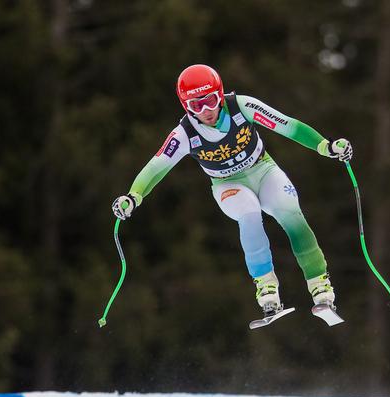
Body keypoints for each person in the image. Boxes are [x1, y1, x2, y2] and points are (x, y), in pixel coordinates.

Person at [112, 64, 352, 318]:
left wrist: (325, 147)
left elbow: (288, 125)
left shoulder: (243, 106)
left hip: (263, 169)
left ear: (220, 94)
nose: (206, 111)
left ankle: (320, 287)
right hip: (228, 185)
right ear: (185, 106)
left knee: (291, 213)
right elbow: (156, 167)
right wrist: (133, 196)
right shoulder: (184, 133)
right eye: (196, 105)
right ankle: (267, 288)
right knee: (248, 213)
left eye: (210, 101)